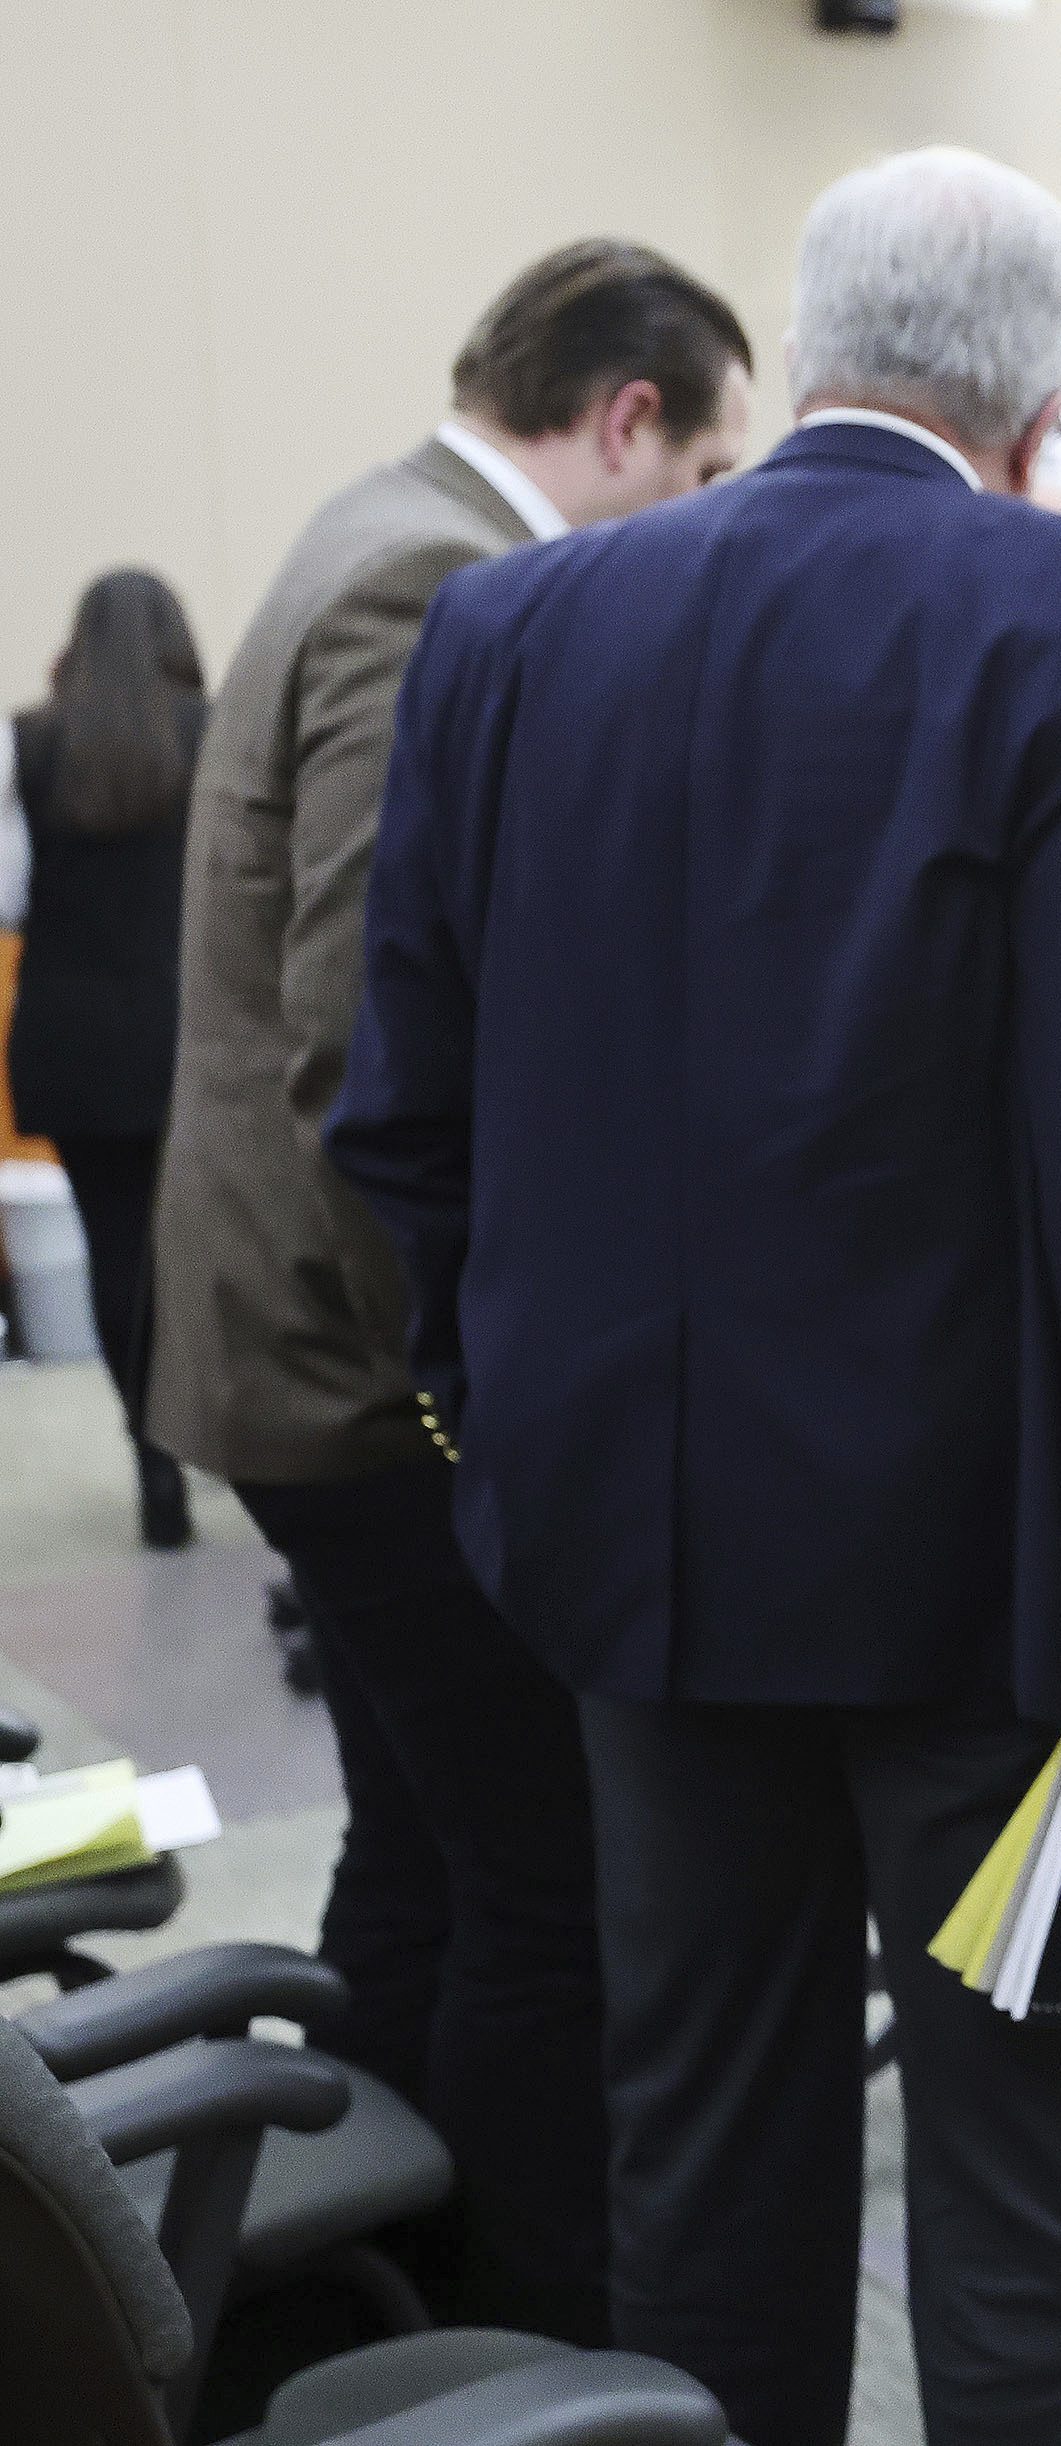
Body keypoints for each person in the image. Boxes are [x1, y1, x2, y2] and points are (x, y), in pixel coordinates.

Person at [329, 150, 1061, 2446]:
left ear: (804, 339)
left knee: (702, 2170)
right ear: (1040, 406)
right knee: (1021, 2198)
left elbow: (398, 1115)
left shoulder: (516, 627)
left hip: (625, 1547)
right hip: (992, 1579)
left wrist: (493, 1434)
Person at [143, 238, 755, 2342]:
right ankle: (523, 2324)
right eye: (705, 472)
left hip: (271, 1332)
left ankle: (327, 2288)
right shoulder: (445, 585)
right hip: (353, 1364)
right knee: (544, 1883)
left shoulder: (369, 523)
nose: (699, 526)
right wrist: (476, 1389)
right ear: (621, 423)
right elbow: (357, 1033)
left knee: (417, 1845)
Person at [2, 572, 206, 1548]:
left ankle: (152, 1461)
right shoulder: (214, 730)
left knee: (116, 1249)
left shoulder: (30, 742)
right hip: (193, 1038)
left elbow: (5, 896)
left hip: (75, 1042)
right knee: (212, 1252)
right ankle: (237, 1444)